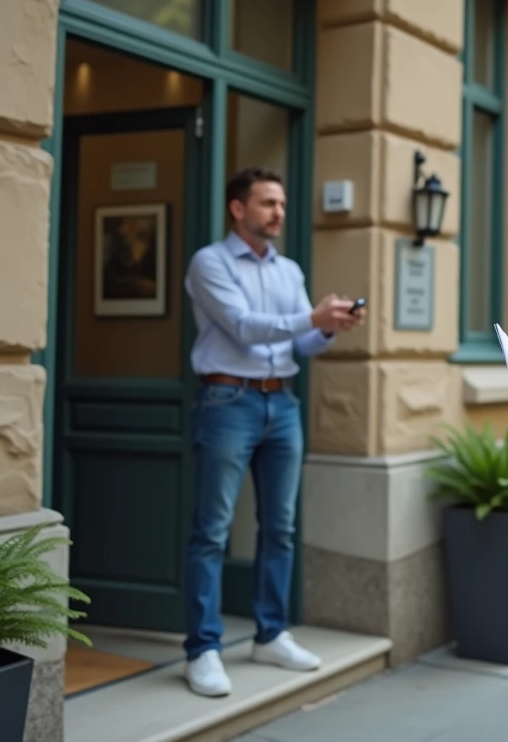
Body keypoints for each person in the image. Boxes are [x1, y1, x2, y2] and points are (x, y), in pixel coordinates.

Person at [181, 167, 367, 697]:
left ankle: (270, 634)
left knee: (280, 528)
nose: (278, 213)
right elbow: (241, 326)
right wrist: (310, 316)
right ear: (238, 209)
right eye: (267, 203)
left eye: (281, 204)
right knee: (211, 532)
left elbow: (300, 345)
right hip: (227, 401)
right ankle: (203, 650)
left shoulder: (288, 269)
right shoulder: (209, 263)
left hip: (281, 403)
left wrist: (327, 327)